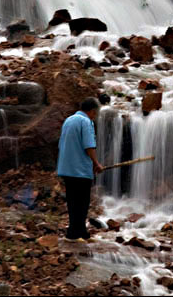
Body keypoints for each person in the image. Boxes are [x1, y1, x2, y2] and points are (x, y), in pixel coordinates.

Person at [56, 97, 104, 241]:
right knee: (82, 202)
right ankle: (78, 233)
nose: (95, 116)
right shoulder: (86, 122)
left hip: (66, 167)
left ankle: (75, 231)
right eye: (95, 113)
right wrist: (96, 163)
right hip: (80, 169)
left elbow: (61, 144)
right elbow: (89, 145)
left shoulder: (68, 120)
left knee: (72, 201)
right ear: (92, 111)